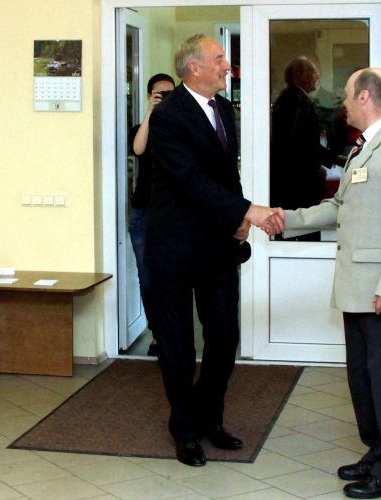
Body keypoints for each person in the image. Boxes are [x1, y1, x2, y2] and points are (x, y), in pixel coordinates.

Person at [271, 68, 381, 498]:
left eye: (347, 96)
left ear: (365, 97)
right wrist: (286, 219)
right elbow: (339, 206)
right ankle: (378, 453)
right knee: (364, 383)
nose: (342, 105)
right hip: (359, 289)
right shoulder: (364, 148)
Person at [145, 34, 278, 467]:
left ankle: (209, 417)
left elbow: (225, 176)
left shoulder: (223, 109)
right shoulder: (169, 116)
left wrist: (239, 220)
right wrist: (247, 210)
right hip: (175, 248)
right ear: (194, 67)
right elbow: (189, 181)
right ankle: (184, 430)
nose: (227, 66)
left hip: (218, 246)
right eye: (219, 58)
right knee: (178, 345)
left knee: (223, 336)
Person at [128, 72, 175, 357]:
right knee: (147, 278)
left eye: (171, 94)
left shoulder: (179, 125)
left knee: (172, 277)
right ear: (149, 96)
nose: (165, 98)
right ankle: (157, 334)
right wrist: (150, 113)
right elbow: (138, 148)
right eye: (160, 94)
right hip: (144, 211)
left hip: (173, 213)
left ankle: (173, 335)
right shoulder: (142, 127)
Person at [270, 56, 333, 240]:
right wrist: (329, 161)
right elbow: (300, 144)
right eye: (312, 72)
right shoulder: (297, 102)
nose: (317, 76)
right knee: (305, 231)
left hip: (289, 180)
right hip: (297, 182)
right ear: (299, 75)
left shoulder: (289, 98)